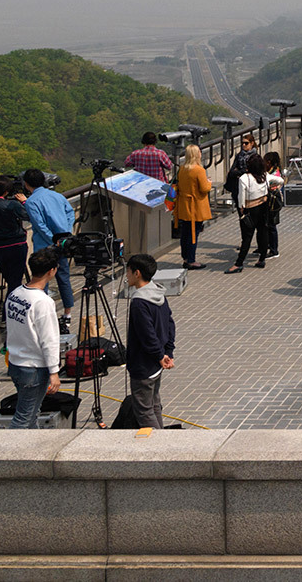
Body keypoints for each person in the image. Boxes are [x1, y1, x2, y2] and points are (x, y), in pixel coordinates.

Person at [3, 248, 63, 428]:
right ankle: (8, 453)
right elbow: (49, 339)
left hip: (16, 363)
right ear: (51, 271)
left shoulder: (15, 294)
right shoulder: (43, 302)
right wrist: (54, 372)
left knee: (31, 413)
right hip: (34, 369)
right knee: (23, 419)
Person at [124, 253, 176, 429]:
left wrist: (160, 355)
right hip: (157, 363)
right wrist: (167, 353)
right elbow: (170, 324)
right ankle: (161, 436)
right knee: (154, 404)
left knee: (144, 411)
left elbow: (146, 335)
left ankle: (159, 445)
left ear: (137, 273)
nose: (127, 275)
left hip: (144, 364)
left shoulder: (139, 302)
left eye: (128, 271)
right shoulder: (159, 293)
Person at [0, 176, 32, 341]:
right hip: (16, 246)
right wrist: (24, 202)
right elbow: (29, 216)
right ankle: (9, 317)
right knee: (15, 283)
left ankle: (9, 315)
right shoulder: (11, 204)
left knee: (11, 281)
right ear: (7, 191)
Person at [22, 168, 76, 326]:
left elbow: (39, 225)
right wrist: (65, 234)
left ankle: (44, 316)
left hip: (44, 247)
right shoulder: (57, 195)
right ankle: (67, 314)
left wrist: (53, 239)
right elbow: (70, 213)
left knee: (41, 280)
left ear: (26, 184)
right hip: (63, 244)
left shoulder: (31, 201)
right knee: (64, 278)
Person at [225, 152, 271, 273]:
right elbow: (280, 180)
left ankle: (239, 263)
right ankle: (262, 259)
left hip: (250, 208)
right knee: (263, 232)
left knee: (247, 236)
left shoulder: (244, 178)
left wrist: (241, 208)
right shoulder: (265, 175)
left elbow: (241, 196)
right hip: (264, 205)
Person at [171, 144, 212, 270]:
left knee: (185, 233)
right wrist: (209, 182)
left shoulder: (182, 169)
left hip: (184, 204)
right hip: (196, 205)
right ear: (196, 154)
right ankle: (191, 260)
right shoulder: (199, 170)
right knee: (194, 233)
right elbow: (204, 188)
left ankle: (185, 258)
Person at [226, 132, 258, 206]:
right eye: (242, 143)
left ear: (252, 143)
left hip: (250, 187)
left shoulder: (255, 157)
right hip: (237, 186)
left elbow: (253, 171)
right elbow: (231, 172)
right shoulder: (239, 155)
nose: (243, 145)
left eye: (246, 143)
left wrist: (238, 171)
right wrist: (243, 171)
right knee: (239, 206)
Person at [263, 151, 284, 259]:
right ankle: (266, 245)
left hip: (273, 202)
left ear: (269, 162)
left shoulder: (274, 174)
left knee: (271, 226)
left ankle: (274, 250)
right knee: (268, 225)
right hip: (270, 201)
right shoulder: (272, 171)